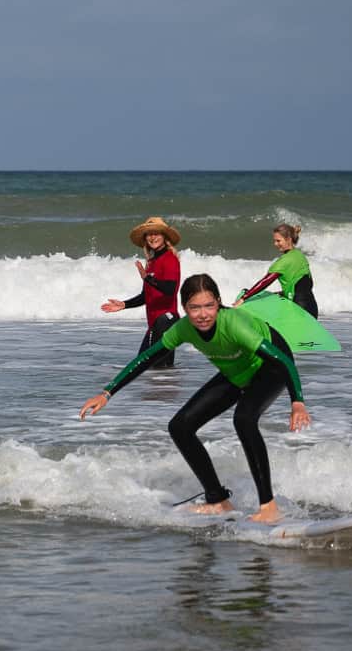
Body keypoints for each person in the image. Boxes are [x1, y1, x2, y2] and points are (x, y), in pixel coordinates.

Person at [81, 273, 310, 522]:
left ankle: (269, 507)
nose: (203, 314)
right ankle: (217, 501)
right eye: (195, 307)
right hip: (235, 370)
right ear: (184, 308)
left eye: (209, 306)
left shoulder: (234, 323)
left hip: (270, 369)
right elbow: (146, 358)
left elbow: (282, 359)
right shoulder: (183, 329)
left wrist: (296, 401)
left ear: (219, 302)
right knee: (180, 426)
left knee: (244, 419)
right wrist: (107, 392)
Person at [101, 216, 181, 368]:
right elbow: (146, 296)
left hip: (165, 320)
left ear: (164, 236)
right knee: (161, 370)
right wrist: (124, 304)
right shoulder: (151, 263)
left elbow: (170, 289)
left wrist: (147, 278)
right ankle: (166, 391)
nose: (152, 237)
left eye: (156, 233)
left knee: (147, 367)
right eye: (149, 234)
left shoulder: (169, 259)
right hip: (156, 323)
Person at [234, 222, 318, 318]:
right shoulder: (300, 256)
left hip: (299, 311)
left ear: (289, 239)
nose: (275, 244)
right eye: (275, 241)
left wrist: (244, 298)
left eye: (278, 241)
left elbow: (265, 281)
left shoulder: (284, 261)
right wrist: (282, 293)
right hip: (312, 309)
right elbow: (307, 283)